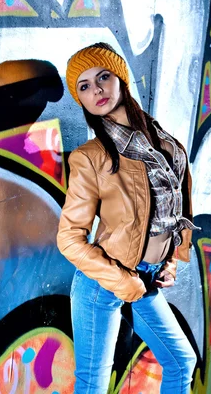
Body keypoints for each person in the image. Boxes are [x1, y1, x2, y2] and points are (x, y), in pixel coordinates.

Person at [57, 42, 199, 393]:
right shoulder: (91, 157)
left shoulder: (166, 144)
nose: (98, 90)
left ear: (121, 78)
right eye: (84, 86)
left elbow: (176, 209)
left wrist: (173, 260)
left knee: (182, 361)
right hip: (103, 284)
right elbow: (69, 238)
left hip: (146, 278)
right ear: (81, 100)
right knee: (93, 385)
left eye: (103, 76)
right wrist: (124, 282)